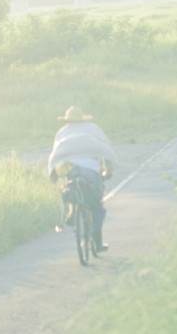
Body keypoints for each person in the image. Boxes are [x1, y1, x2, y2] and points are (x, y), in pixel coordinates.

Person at [47, 106, 116, 252]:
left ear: (67, 120)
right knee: (97, 206)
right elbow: (104, 148)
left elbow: (56, 153)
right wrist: (107, 169)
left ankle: (73, 212)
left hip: (72, 170)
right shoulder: (92, 128)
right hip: (91, 171)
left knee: (72, 188)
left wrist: (53, 174)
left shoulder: (62, 132)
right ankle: (97, 242)